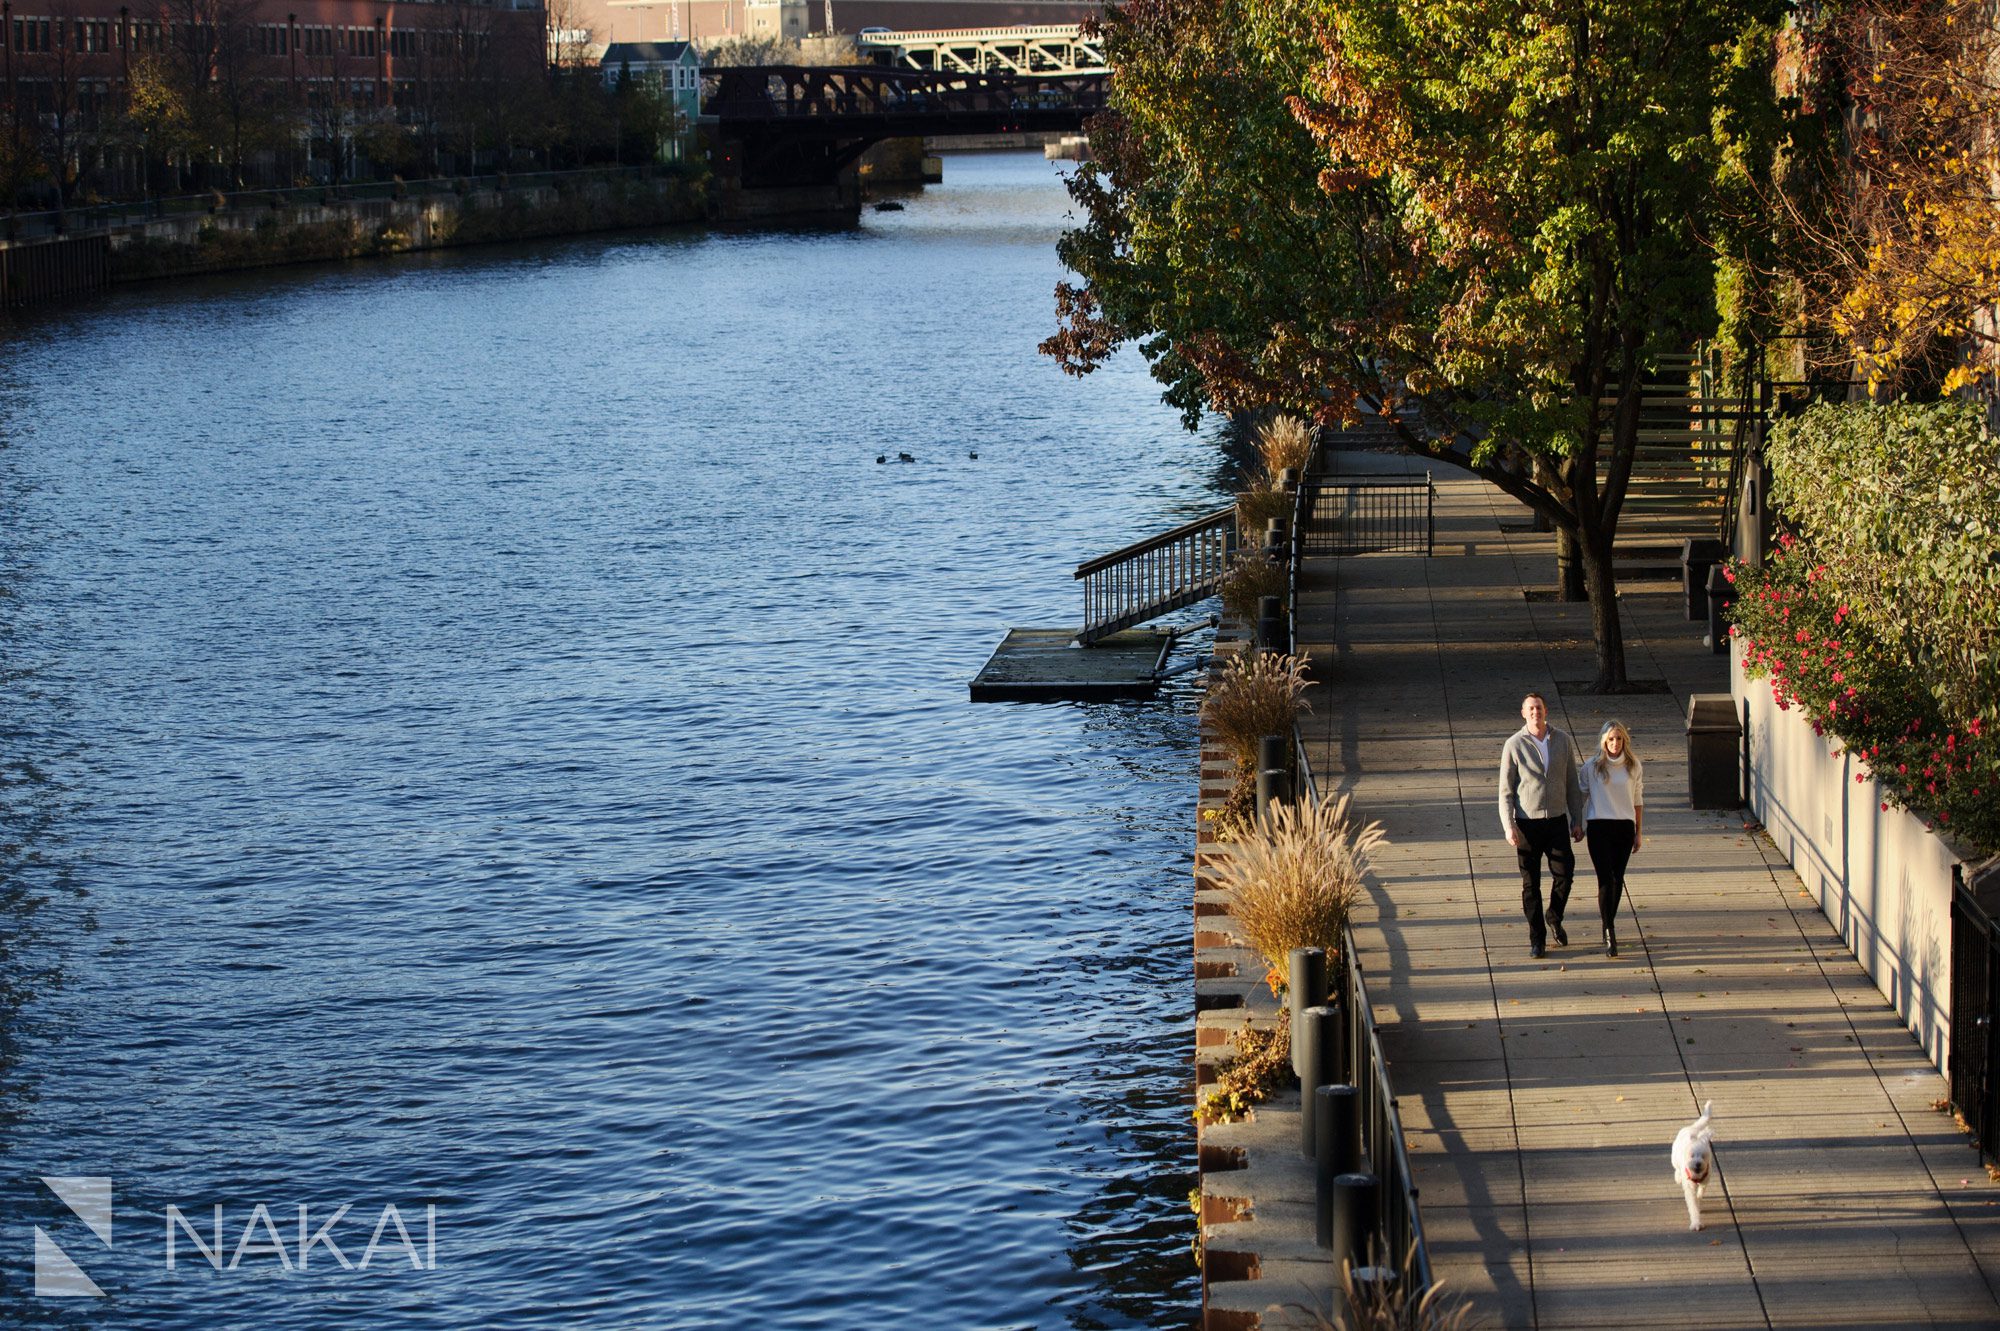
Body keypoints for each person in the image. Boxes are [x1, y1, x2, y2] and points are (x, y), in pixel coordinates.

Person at [1498, 691, 1586, 958]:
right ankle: (1537, 938)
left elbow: (1572, 782)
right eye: (1530, 709)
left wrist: (1577, 820)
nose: (1535, 712)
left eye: (1539, 708)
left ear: (1546, 711)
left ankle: (1554, 915)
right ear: (1524, 713)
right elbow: (1505, 791)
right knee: (1530, 884)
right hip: (1527, 824)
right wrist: (1508, 826)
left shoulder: (1562, 740)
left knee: (1565, 873)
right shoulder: (1513, 744)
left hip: (1557, 821)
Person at [1581, 720, 1645, 956]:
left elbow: (1637, 800)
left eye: (1618, 738)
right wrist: (1576, 823)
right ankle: (1610, 930)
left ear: (1624, 741)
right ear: (1603, 741)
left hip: (1624, 828)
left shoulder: (1633, 765)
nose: (1615, 743)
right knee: (1605, 879)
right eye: (1610, 739)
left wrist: (1638, 832)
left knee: (1618, 879)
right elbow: (1581, 795)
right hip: (1599, 827)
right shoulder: (1592, 766)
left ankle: (1608, 919)